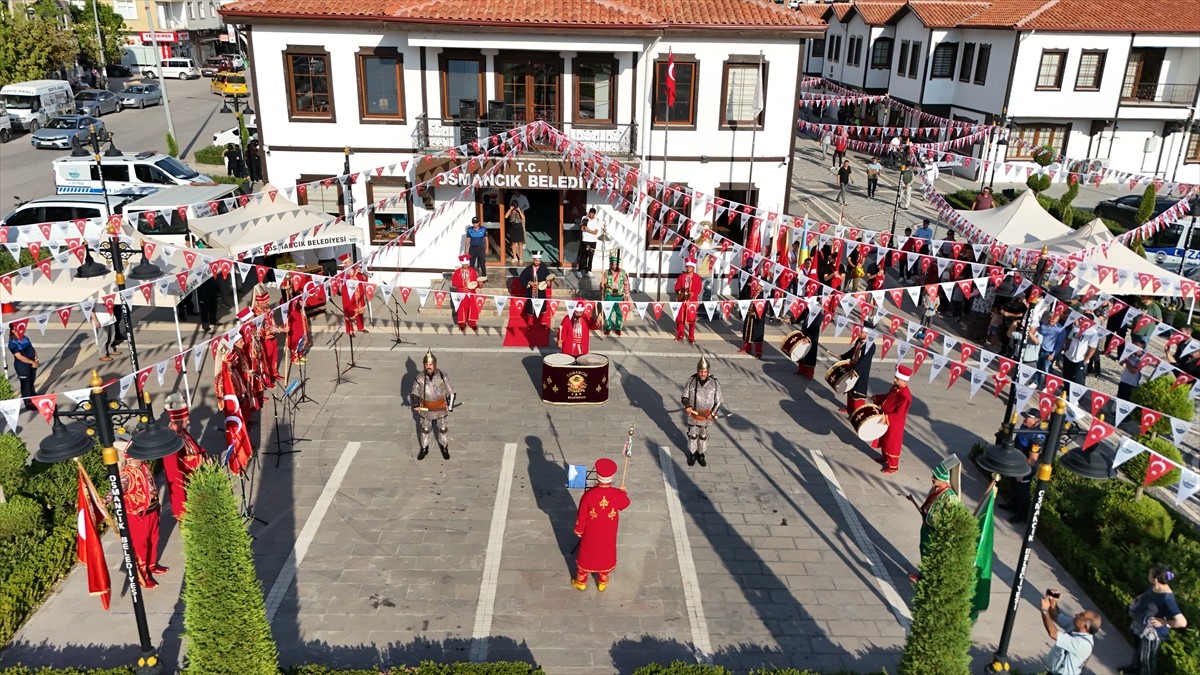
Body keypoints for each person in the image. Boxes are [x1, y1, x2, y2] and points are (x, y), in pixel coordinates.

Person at [572, 457, 630, 592]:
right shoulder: (616, 495)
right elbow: (625, 503)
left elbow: (581, 515)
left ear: (597, 475)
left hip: (591, 531)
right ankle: (603, 581)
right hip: (609, 531)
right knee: (606, 552)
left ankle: (581, 581)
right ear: (612, 476)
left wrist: (579, 529)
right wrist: (623, 492)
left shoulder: (589, 495)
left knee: (587, 552)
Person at [118, 441, 166, 589]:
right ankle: (142, 575)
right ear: (130, 457)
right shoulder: (126, 474)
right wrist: (105, 501)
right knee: (141, 546)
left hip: (152, 509)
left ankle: (151, 565)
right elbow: (116, 490)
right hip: (138, 515)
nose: (141, 458)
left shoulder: (145, 467)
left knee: (154, 538)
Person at [1126, 565, 1188, 674]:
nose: (1148, 575)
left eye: (1149, 574)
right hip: (1140, 625)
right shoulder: (1155, 586)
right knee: (1137, 650)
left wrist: (1165, 622)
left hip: (1151, 632)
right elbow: (1147, 594)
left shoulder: (1167, 598)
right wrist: (1138, 599)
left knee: (1147, 659)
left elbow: (1182, 622)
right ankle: (1134, 669)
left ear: (1155, 579)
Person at [906, 463, 959, 581]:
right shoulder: (935, 489)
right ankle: (924, 576)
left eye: (935, 477)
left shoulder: (950, 497)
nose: (932, 479)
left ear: (943, 479)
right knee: (924, 551)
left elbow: (952, 519)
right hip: (926, 526)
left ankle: (930, 580)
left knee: (932, 555)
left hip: (935, 532)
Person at [161, 393, 207, 520]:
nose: (189, 422)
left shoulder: (182, 432)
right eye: (186, 420)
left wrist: (203, 453)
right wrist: (197, 460)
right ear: (178, 421)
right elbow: (175, 467)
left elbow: (194, 446)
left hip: (192, 478)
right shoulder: (170, 439)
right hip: (182, 484)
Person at [1040, 591, 1102, 675]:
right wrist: (1053, 600)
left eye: (1080, 616)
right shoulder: (1075, 626)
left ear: (1085, 626)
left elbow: (1053, 633)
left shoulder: (1082, 644)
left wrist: (1044, 610)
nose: (1076, 615)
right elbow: (1056, 615)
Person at [410, 350, 455, 461]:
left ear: (434, 364)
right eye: (426, 364)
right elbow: (414, 392)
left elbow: (452, 392)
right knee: (425, 429)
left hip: (440, 408)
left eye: (430, 364)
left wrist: (450, 405)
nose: (428, 366)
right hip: (426, 408)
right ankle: (424, 448)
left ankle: (444, 447)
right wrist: (415, 403)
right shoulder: (420, 377)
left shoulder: (442, 376)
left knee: (443, 429)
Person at [681, 356, 723, 468]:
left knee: (703, 435)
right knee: (693, 434)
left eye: (705, 371)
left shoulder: (714, 383)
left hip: (706, 415)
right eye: (701, 371)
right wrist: (688, 406)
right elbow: (684, 396)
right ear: (697, 370)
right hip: (693, 414)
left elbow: (719, 401)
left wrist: (712, 413)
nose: (703, 373)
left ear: (708, 371)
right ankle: (692, 454)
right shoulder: (691, 381)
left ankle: (701, 454)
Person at [1006, 409, 1046, 524]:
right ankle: (1012, 505)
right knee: (1014, 484)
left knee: (1022, 489)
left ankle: (1020, 514)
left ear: (1035, 420)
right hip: (1018, 460)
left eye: (1027, 418)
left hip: (1027, 465)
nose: (1024, 419)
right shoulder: (1025, 425)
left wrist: (1023, 472)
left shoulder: (1038, 436)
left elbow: (1033, 457)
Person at [872, 366, 913, 475]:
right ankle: (885, 458)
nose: (894, 380)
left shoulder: (905, 397)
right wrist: (877, 398)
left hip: (894, 423)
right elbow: (887, 397)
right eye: (895, 377)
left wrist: (887, 418)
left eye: (897, 378)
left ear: (904, 380)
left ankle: (893, 466)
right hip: (886, 417)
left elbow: (899, 415)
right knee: (884, 439)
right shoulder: (895, 387)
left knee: (892, 444)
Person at [1061, 304, 1101, 391]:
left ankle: (1076, 396)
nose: (1082, 320)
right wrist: (1066, 350)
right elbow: (1069, 339)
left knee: (1079, 379)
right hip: (1069, 355)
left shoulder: (1093, 333)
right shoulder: (1076, 328)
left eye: (1084, 319)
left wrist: (1086, 359)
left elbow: (1092, 348)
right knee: (1067, 376)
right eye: (1082, 319)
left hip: (1080, 359)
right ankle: (1066, 391)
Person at [839, 322, 877, 413]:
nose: (859, 333)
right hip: (852, 368)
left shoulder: (871, 346)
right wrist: (843, 356)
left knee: (857, 392)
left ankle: (856, 412)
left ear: (867, 334)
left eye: (861, 332)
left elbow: (865, 360)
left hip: (860, 372)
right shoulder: (859, 341)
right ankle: (850, 409)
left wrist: (856, 370)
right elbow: (853, 351)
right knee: (850, 389)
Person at [251, 284, 282, 385]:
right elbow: (265, 327)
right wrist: (280, 329)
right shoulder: (257, 313)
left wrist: (277, 327)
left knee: (274, 356)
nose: (268, 303)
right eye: (265, 302)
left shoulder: (267, 309)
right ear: (259, 302)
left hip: (273, 336)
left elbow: (272, 321)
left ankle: (274, 373)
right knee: (266, 360)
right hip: (265, 339)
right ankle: (267, 380)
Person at [738, 277, 772, 359]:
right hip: (749, 317)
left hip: (758, 319)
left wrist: (755, 313)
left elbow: (764, 309)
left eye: (758, 285)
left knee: (757, 335)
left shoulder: (763, 296)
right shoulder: (752, 293)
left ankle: (758, 352)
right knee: (747, 333)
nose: (756, 286)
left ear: (761, 287)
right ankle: (747, 349)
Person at [600, 251, 630, 336]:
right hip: (609, 295)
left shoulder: (623, 272)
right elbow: (603, 283)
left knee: (619, 313)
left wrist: (626, 295)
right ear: (610, 264)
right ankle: (608, 328)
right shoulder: (606, 272)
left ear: (618, 264)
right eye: (612, 264)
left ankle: (618, 328)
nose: (613, 266)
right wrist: (602, 285)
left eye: (615, 264)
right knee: (607, 312)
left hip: (619, 296)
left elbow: (626, 284)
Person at [519, 250, 553, 326]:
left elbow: (548, 277)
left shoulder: (543, 269)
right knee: (531, 306)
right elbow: (522, 278)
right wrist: (529, 282)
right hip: (531, 291)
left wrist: (548, 282)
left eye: (539, 261)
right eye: (536, 261)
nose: (538, 262)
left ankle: (542, 321)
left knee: (542, 306)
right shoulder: (528, 269)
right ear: (533, 260)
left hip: (540, 291)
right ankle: (530, 322)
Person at [8, 326, 38, 410]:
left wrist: (36, 359)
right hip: (22, 366)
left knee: (32, 381)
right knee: (25, 385)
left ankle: (33, 396)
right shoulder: (12, 343)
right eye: (14, 329)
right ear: (12, 331)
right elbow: (19, 357)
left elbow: (32, 348)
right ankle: (28, 403)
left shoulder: (25, 337)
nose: (17, 330)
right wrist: (32, 362)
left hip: (32, 364)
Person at [674, 258, 703, 344]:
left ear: (693, 268)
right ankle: (680, 335)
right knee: (680, 319)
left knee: (692, 320)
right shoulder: (681, 276)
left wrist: (693, 294)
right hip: (682, 301)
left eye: (690, 267)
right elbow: (677, 287)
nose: (688, 268)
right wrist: (680, 292)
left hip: (692, 302)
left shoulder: (697, 277)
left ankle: (691, 336)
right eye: (687, 267)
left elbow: (699, 288)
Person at [793, 302, 824, 380]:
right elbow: (799, 317)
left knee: (810, 355)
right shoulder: (807, 310)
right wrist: (791, 320)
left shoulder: (818, 314)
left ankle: (809, 374)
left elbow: (816, 328)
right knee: (801, 352)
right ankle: (801, 370)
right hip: (804, 332)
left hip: (812, 336)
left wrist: (808, 338)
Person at [451, 254, 481, 332]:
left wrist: (479, 284)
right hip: (461, 293)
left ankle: (472, 323)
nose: (465, 266)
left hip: (471, 293)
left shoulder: (472, 271)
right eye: (464, 265)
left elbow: (475, 282)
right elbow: (454, 282)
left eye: (467, 264)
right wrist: (461, 284)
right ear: (462, 264)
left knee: (472, 308)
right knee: (461, 309)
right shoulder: (457, 272)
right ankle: (462, 324)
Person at [283, 283, 310, 368]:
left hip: (300, 318)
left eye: (291, 288)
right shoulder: (284, 300)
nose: (290, 290)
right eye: (288, 289)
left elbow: (303, 303)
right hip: (293, 321)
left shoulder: (296, 296)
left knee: (303, 335)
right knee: (296, 337)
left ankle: (300, 354)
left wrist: (302, 302)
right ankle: (294, 357)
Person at [464, 216, 489, 281]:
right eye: (473, 223)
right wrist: (465, 249)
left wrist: (486, 249)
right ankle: (471, 276)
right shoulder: (469, 229)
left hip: (480, 249)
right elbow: (468, 239)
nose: (475, 224)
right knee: (471, 263)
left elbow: (486, 239)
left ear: (479, 222)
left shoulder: (483, 229)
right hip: (472, 249)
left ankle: (484, 276)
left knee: (482, 262)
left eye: (476, 223)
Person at [577, 208, 599, 277]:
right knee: (583, 256)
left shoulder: (597, 220)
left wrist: (588, 230)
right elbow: (582, 228)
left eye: (592, 214)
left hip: (593, 241)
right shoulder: (584, 218)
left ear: (594, 214)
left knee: (590, 256)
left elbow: (595, 232)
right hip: (585, 240)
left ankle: (589, 270)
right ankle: (579, 270)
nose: (590, 215)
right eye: (589, 213)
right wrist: (586, 229)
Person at [506, 198, 526, 264]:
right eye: (514, 205)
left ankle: (521, 257)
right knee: (513, 243)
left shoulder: (520, 210)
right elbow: (505, 217)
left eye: (515, 205)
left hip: (519, 226)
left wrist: (519, 211)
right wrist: (510, 209)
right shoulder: (510, 210)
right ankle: (515, 257)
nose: (514, 207)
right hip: (512, 227)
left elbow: (523, 218)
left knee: (520, 242)